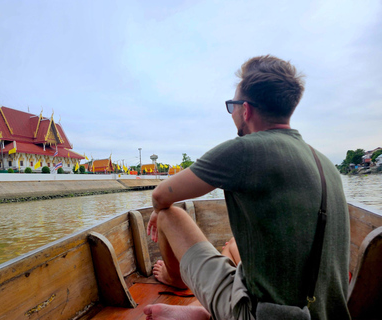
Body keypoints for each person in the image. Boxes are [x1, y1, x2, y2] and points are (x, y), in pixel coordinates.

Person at [144, 55, 351, 320]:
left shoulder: (244, 150)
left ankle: (175, 281)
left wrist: (157, 210)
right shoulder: (324, 163)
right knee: (231, 246)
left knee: (168, 216)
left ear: (246, 110)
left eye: (233, 107)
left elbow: (160, 195)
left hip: (262, 316)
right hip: (323, 313)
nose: (233, 114)